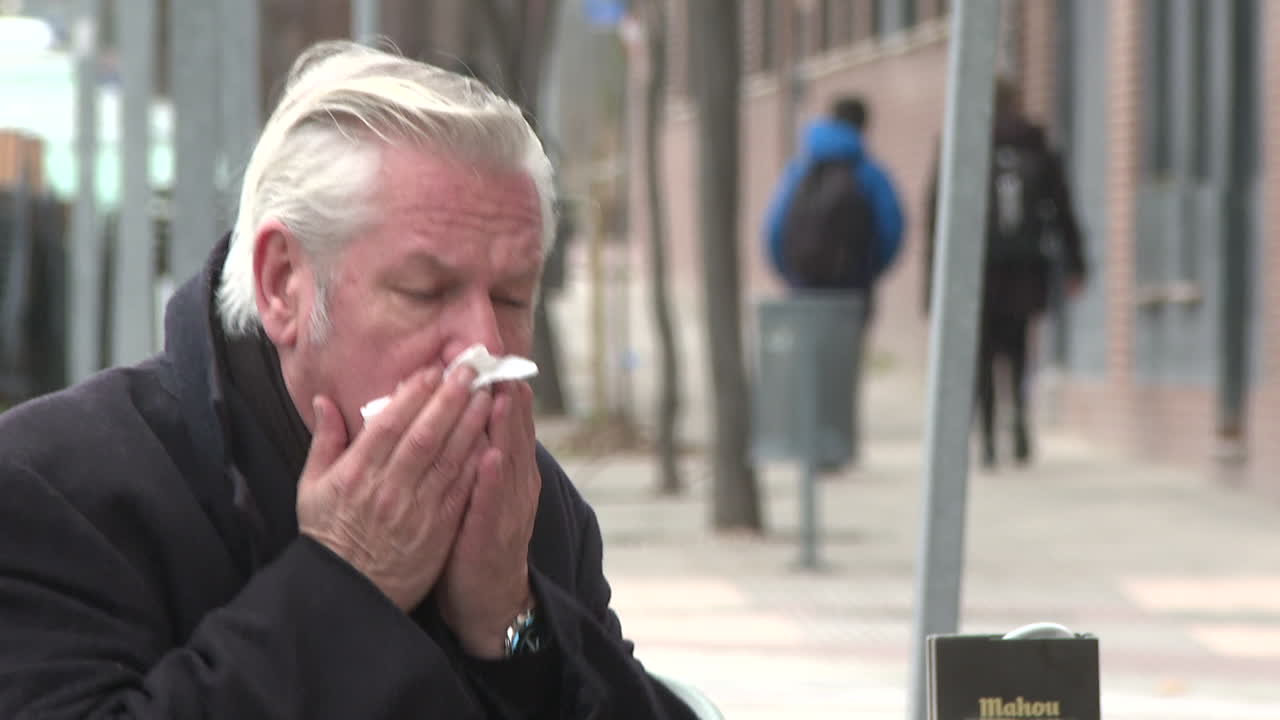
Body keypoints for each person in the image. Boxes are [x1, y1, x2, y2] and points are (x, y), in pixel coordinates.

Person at [0, 41, 699, 719]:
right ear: (283, 285)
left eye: (513, 298)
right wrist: (346, 587)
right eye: (427, 292)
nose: (485, 343)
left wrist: (513, 625)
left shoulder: (526, 501)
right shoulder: (54, 490)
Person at [924, 78, 1087, 467]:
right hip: (1024, 266)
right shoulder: (1036, 143)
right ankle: (1020, 427)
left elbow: (936, 220)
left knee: (980, 354)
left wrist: (933, 287)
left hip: (976, 269)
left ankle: (987, 440)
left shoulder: (959, 144)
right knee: (1017, 349)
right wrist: (1076, 263)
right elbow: (1062, 209)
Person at [762, 95, 905, 468]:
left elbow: (774, 230)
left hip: (804, 287)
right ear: (863, 127)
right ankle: (837, 446)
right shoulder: (870, 174)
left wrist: (792, 274)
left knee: (809, 366)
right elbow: (892, 229)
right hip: (852, 289)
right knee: (844, 367)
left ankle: (809, 444)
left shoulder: (801, 169)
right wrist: (868, 270)